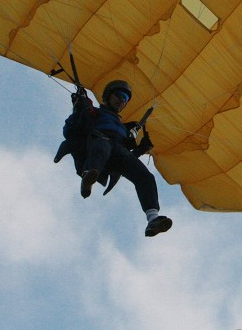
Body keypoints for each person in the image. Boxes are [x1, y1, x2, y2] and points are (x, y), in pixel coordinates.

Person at [55, 79, 173, 237]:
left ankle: (153, 219)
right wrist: (78, 110)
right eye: (119, 95)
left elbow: (126, 157)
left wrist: (141, 148)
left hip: (116, 152)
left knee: (145, 176)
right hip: (96, 143)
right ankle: (88, 177)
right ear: (107, 97)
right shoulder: (94, 113)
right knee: (103, 145)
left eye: (125, 98)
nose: (121, 100)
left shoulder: (123, 128)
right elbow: (69, 131)